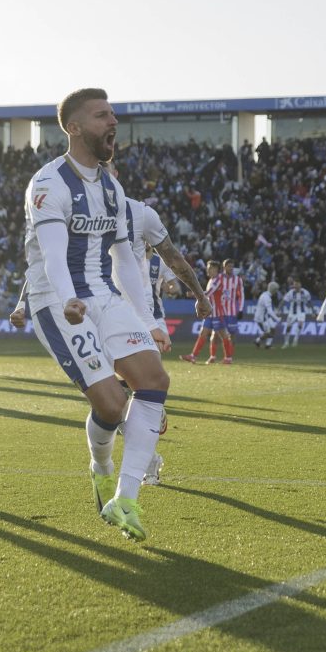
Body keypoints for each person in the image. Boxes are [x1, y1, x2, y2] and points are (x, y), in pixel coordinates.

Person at [22, 87, 172, 542]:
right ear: (74, 127)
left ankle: (126, 498)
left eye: (113, 114)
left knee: (155, 380)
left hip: (103, 294)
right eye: (101, 115)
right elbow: (52, 255)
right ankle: (100, 467)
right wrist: (69, 298)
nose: (113, 122)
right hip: (57, 300)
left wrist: (148, 320)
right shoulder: (48, 184)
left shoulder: (112, 187)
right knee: (110, 404)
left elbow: (125, 259)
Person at [119, 189, 211, 486]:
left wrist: (192, 293)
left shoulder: (145, 228)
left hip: (149, 321)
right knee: (113, 407)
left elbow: (175, 266)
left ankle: (147, 464)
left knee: (140, 393)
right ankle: (151, 420)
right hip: (110, 317)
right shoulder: (92, 222)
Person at [180, 261, 228, 364]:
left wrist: (194, 293)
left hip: (218, 312)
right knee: (203, 333)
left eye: (210, 268)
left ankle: (228, 358)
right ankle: (194, 356)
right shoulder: (211, 280)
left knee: (222, 335)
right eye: (207, 268)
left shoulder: (218, 280)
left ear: (215, 269)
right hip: (210, 312)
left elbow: (209, 292)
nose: (208, 270)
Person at [281, 278, 313, 348]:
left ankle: (295, 340)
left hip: (301, 311)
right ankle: (286, 342)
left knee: (300, 324)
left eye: (297, 284)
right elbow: (284, 301)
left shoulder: (305, 292)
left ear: (300, 285)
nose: (295, 286)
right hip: (292, 312)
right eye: (294, 284)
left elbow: (309, 302)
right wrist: (278, 309)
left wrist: (313, 311)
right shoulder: (290, 293)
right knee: (288, 327)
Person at [253, 281, 282, 349]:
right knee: (268, 332)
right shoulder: (267, 297)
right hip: (261, 318)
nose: (276, 292)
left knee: (273, 328)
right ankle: (257, 341)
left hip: (265, 316)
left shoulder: (265, 295)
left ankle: (268, 345)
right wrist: (277, 319)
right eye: (276, 290)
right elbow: (270, 311)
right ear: (273, 290)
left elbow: (268, 311)